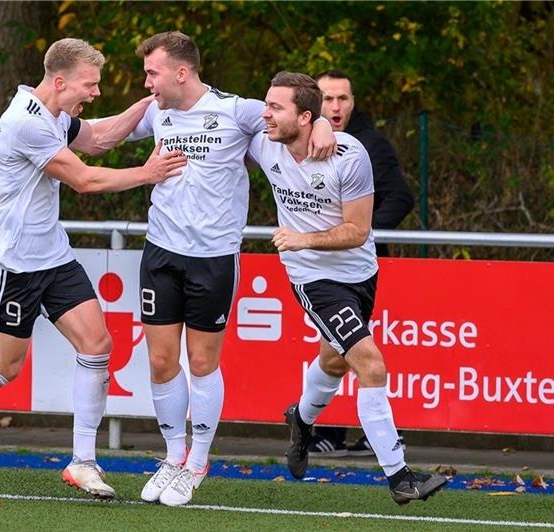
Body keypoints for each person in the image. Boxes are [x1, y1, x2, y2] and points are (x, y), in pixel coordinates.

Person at [0, 38, 187, 501]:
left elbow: (100, 138)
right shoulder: (24, 123)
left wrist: (153, 101)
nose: (94, 93)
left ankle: (83, 462)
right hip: (14, 262)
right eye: (89, 85)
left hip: (53, 255)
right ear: (59, 81)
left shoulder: (55, 116)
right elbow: (84, 179)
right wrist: (147, 173)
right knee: (4, 366)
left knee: (98, 343)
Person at [129, 31, 337, 507]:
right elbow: (103, 134)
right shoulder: (156, 111)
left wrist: (322, 122)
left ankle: (198, 461)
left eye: (152, 73)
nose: (147, 83)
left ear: (182, 72)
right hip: (160, 251)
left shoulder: (235, 109)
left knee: (201, 362)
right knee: (161, 361)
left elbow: (287, 119)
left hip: (214, 257)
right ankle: (172, 455)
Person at [246, 71, 446, 505]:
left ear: (303, 115)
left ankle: (301, 418)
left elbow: (357, 231)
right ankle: (400, 477)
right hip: (311, 278)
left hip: (360, 272)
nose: (266, 114)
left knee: (334, 362)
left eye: (276, 108)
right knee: (370, 365)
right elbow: (216, 108)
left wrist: (304, 236)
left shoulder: (350, 154)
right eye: (266, 105)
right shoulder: (264, 138)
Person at [308, 70, 415, 458]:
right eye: (327, 98)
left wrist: (360, 233)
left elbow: (401, 198)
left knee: (354, 349)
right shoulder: (298, 140)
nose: (336, 107)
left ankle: (368, 435)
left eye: (343, 99)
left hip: (357, 268)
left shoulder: (369, 144)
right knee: (337, 350)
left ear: (353, 102)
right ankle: (325, 429)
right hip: (319, 264)